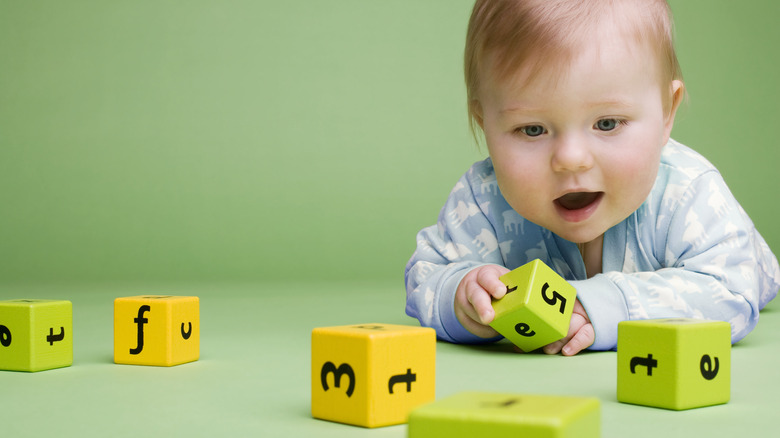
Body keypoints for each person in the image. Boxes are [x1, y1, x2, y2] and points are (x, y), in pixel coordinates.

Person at [404, 0, 780, 356]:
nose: (570, 159)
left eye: (607, 123)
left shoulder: (686, 191)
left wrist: (603, 306)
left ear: (667, 113)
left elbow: (731, 289)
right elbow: (425, 275)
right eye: (532, 130)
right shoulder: (484, 200)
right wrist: (462, 296)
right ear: (486, 123)